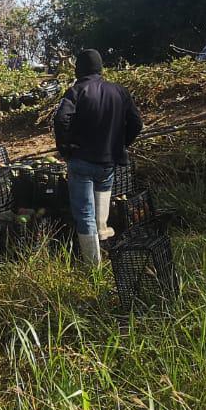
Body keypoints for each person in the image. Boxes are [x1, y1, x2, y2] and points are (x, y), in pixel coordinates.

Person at [52, 49, 144, 266]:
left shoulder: (76, 91)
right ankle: (104, 249)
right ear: (100, 68)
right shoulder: (119, 91)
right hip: (108, 164)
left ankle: (93, 265)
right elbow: (136, 123)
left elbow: (61, 119)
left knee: (84, 213)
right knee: (100, 213)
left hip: (82, 162)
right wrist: (120, 144)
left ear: (79, 68)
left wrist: (65, 148)